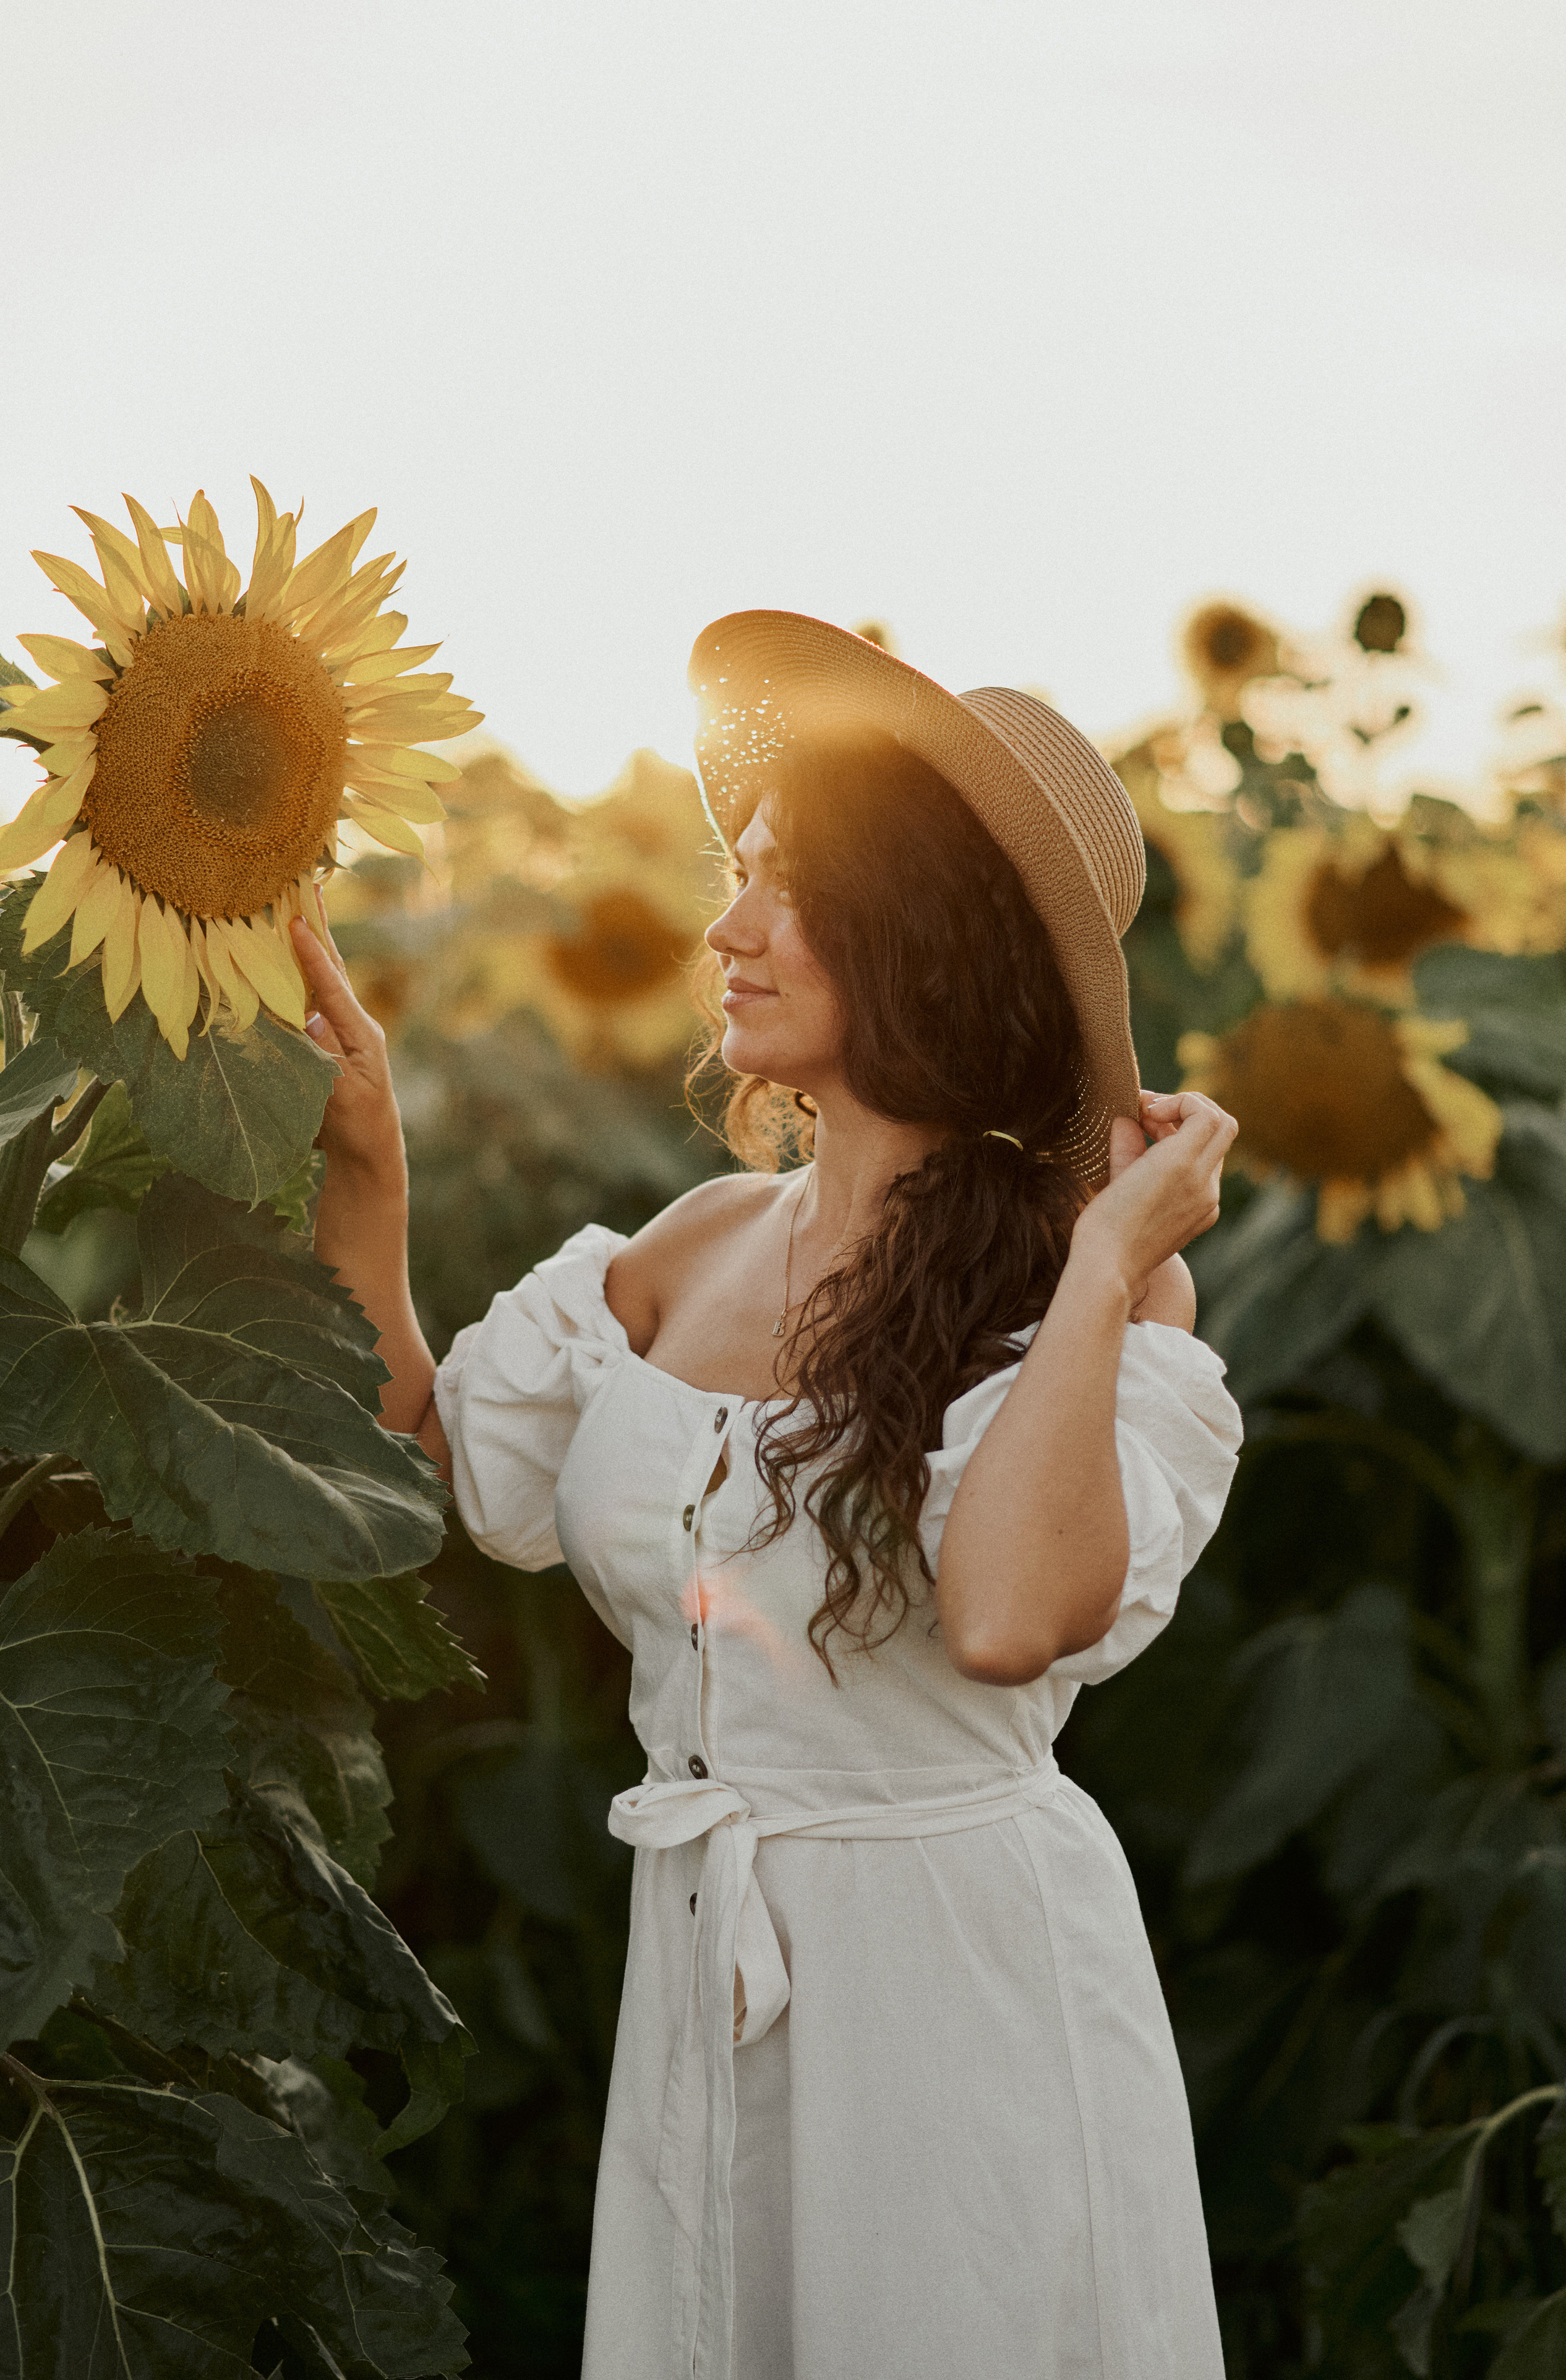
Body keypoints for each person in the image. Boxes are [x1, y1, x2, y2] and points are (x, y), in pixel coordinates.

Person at [291, 612, 1243, 2380]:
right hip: (714, 1970)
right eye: (737, 874)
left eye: (788, 887)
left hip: (961, 1994)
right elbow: (419, 1476)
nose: (726, 927)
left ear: (929, 937)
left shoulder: (1086, 1299)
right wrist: (369, 1170)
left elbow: (1010, 1617)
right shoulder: (699, 1242)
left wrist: (1114, 1260)